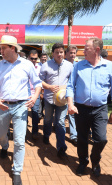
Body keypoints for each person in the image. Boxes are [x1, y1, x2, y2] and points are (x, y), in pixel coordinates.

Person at [0, 35, 42, 185]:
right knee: (1, 134)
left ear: (12, 48)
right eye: (0, 48)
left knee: (19, 140)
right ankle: (5, 146)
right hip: (3, 105)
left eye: (3, 48)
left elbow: (37, 83)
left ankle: (17, 170)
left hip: (21, 106)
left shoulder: (26, 64)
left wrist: (34, 97)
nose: (1, 51)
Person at [66, 37, 112, 177]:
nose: (83, 51)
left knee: (101, 139)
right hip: (81, 108)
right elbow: (70, 86)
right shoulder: (78, 66)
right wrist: (70, 104)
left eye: (86, 48)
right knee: (82, 138)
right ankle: (82, 162)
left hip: (100, 109)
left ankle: (95, 160)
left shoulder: (109, 66)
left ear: (97, 50)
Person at [39, 43, 73, 158]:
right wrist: (48, 87)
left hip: (62, 101)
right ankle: (46, 134)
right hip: (49, 99)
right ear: (52, 53)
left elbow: (72, 82)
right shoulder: (46, 65)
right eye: (57, 52)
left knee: (59, 123)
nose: (59, 54)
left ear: (64, 53)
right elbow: (39, 81)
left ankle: (61, 148)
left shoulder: (69, 65)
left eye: (61, 52)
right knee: (48, 119)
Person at [64, 45, 78, 146]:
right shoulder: (62, 64)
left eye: (74, 53)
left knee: (73, 113)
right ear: (66, 53)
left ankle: (74, 135)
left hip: (76, 93)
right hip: (62, 93)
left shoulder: (78, 65)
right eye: (71, 53)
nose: (72, 55)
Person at [28, 50, 41, 139]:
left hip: (35, 94)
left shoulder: (40, 68)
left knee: (35, 113)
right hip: (25, 95)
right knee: (23, 115)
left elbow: (41, 81)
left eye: (35, 59)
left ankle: (35, 132)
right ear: (29, 57)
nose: (33, 60)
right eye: (32, 58)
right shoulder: (23, 66)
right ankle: (23, 132)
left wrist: (41, 92)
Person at [37, 53, 48, 119]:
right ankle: (39, 114)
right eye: (42, 57)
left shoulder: (49, 65)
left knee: (44, 101)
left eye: (45, 57)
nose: (43, 58)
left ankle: (41, 112)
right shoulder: (37, 66)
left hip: (46, 86)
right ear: (40, 58)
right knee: (39, 101)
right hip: (39, 86)